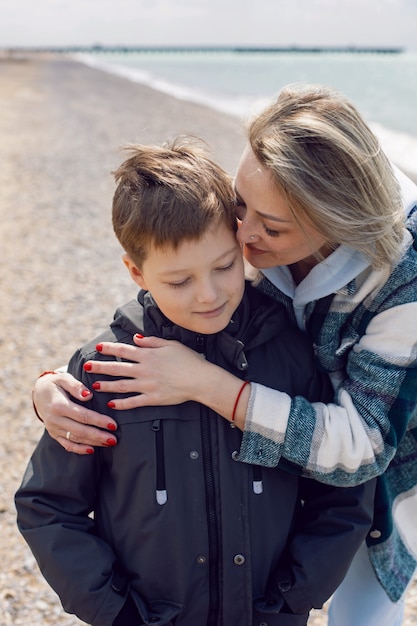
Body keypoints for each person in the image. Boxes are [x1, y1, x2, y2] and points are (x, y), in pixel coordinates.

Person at [31, 84, 417, 626]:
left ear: (329, 223)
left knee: (368, 600)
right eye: (241, 207)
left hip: (383, 457)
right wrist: (56, 385)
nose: (245, 238)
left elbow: (358, 458)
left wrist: (286, 606)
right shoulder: (244, 232)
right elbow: (51, 506)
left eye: (272, 228)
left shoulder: (403, 281)